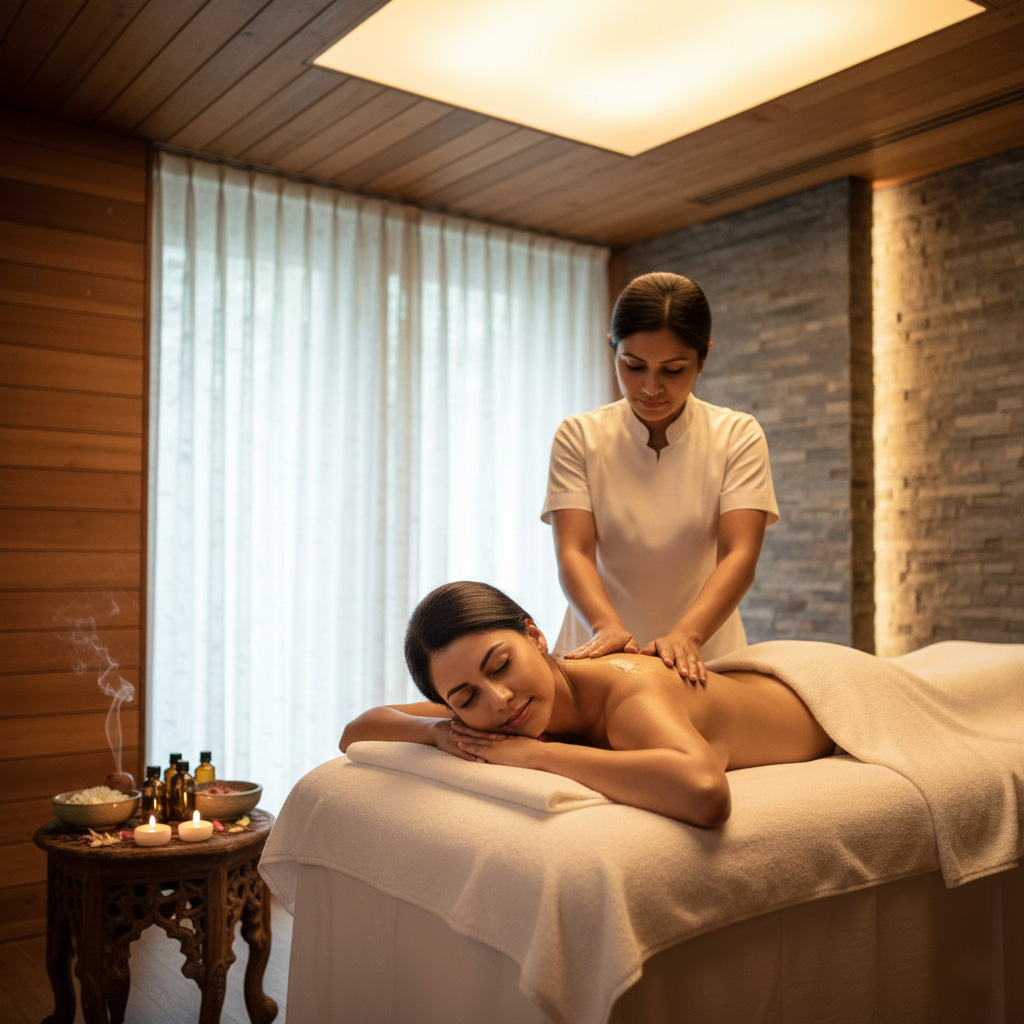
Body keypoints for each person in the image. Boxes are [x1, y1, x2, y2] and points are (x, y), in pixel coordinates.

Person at [340, 581, 834, 828]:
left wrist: (538, 756)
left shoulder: (626, 690)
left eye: (501, 665)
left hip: (823, 693)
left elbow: (705, 791)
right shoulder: (481, 713)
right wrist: (436, 733)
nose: (499, 699)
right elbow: (358, 730)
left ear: (534, 636)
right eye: (465, 697)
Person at [542, 271, 779, 685]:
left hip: (705, 654)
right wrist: (606, 628)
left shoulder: (737, 435)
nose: (651, 387)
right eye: (634, 366)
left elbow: (739, 554)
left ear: (703, 357)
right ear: (613, 349)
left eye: (672, 370)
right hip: (600, 649)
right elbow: (574, 552)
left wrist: (686, 636)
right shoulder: (580, 436)